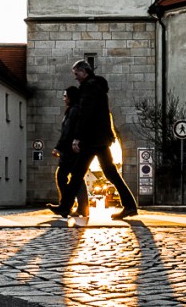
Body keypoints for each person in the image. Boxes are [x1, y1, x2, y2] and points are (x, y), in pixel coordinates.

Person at [48, 59, 138, 220]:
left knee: (78, 173)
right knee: (109, 173)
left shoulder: (89, 88)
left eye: (77, 74)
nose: (76, 77)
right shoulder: (98, 87)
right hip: (100, 139)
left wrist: (77, 138)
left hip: (92, 140)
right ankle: (130, 206)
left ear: (84, 72)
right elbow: (103, 114)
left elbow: (86, 114)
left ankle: (65, 207)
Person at [53, 86, 89, 218]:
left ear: (71, 97)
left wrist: (58, 147)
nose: (64, 98)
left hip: (70, 151)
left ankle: (67, 205)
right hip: (73, 150)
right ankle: (79, 207)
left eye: (65, 96)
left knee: (62, 176)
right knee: (77, 178)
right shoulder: (75, 110)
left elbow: (67, 132)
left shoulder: (73, 110)